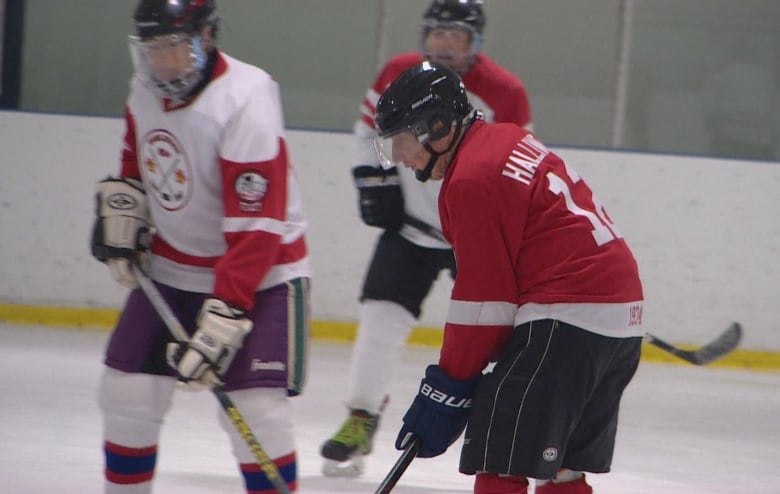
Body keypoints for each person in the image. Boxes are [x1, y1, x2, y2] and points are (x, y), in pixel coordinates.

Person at [373, 62, 645, 494]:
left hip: (566, 318)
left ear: (437, 126)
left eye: (403, 140)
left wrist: (449, 383)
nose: (400, 158)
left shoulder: (472, 178)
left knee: (500, 462)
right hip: (620, 323)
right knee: (562, 469)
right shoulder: (505, 138)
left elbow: (485, 306)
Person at [90, 1, 310, 492]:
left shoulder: (246, 97)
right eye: (152, 50)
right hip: (172, 268)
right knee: (128, 393)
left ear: (206, 38)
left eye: (174, 48)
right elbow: (137, 156)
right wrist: (127, 207)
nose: (162, 63)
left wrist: (227, 311)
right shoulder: (144, 89)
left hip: (265, 274)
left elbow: (259, 225)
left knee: (256, 414)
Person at [320, 0, 532, 476]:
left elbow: (514, 160)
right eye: (438, 34)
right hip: (412, 230)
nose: (446, 44)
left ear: (476, 42)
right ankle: (360, 415)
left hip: (473, 235)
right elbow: (366, 133)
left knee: (506, 333)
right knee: (379, 318)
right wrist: (374, 180)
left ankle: (505, 423)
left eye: (457, 36)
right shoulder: (401, 72)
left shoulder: (506, 91)